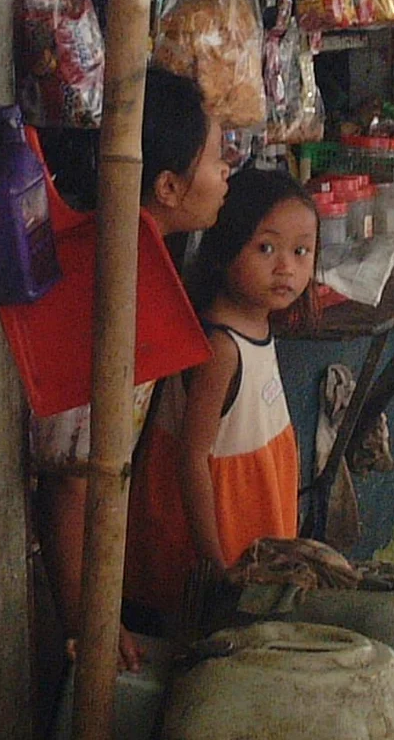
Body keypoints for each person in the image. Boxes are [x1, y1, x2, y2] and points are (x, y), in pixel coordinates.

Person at [32, 67, 230, 666]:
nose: (227, 173)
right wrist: (90, 620)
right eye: (217, 159)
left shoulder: (139, 261)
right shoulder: (116, 282)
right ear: (168, 186)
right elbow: (68, 482)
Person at [122, 171, 318, 622]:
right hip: (213, 545)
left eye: (301, 251)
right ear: (225, 247)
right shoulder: (221, 348)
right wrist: (215, 565)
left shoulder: (257, 324)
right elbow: (191, 459)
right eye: (265, 248)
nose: (286, 267)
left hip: (250, 532)